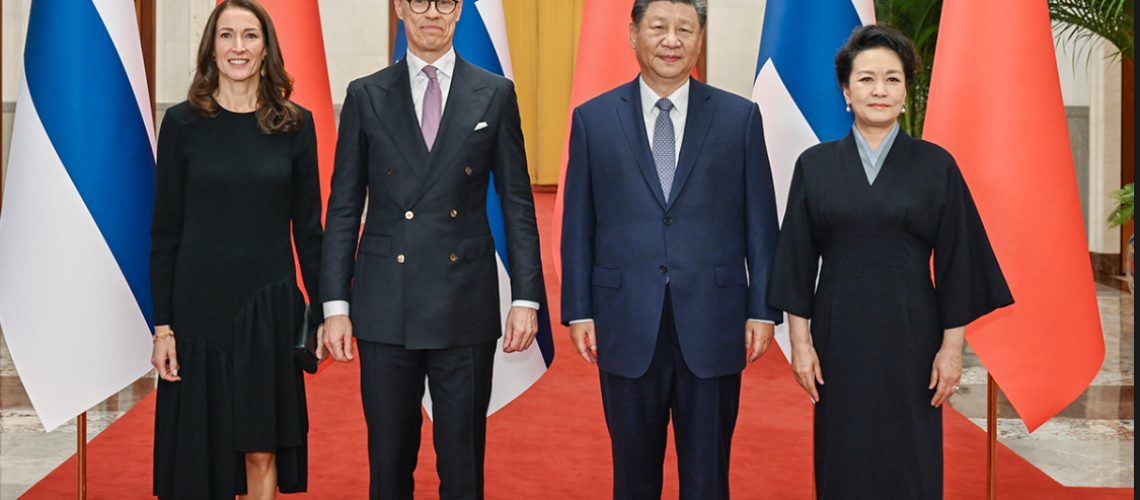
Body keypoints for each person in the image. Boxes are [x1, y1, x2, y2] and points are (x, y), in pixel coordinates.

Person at [767, 25, 1014, 499]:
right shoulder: (815, 166)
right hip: (838, 337)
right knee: (843, 455)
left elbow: (960, 261)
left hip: (913, 338)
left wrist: (951, 349)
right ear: (845, 89)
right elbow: (796, 258)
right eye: (865, 79)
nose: (878, 90)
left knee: (911, 461)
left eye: (892, 79)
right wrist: (800, 343)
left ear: (906, 90)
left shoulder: (935, 165)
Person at [318, 0, 545, 498]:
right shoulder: (366, 94)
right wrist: (335, 304)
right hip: (384, 304)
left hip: (463, 302)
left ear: (459, 11)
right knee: (389, 466)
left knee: (462, 467)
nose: (431, 13)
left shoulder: (494, 93)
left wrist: (527, 297)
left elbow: (517, 202)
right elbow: (343, 207)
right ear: (400, 8)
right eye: (418, 1)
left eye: (444, 2)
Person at [560, 1, 782, 498]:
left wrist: (763, 309)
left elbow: (761, 221)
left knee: (707, 477)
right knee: (633, 476)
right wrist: (579, 310)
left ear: (700, 39)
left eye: (685, 29)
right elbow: (579, 223)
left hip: (714, 319)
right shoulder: (593, 120)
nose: (671, 40)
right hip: (625, 319)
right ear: (633, 34)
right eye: (658, 27)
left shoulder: (738, 117)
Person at [149, 1, 322, 498]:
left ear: (266, 47)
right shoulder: (181, 124)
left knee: (262, 446)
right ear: (212, 47)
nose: (238, 47)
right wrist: (164, 327)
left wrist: (330, 309)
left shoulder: (295, 125)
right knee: (201, 452)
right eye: (227, 36)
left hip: (268, 310)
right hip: (197, 311)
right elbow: (165, 233)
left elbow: (310, 230)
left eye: (250, 36)